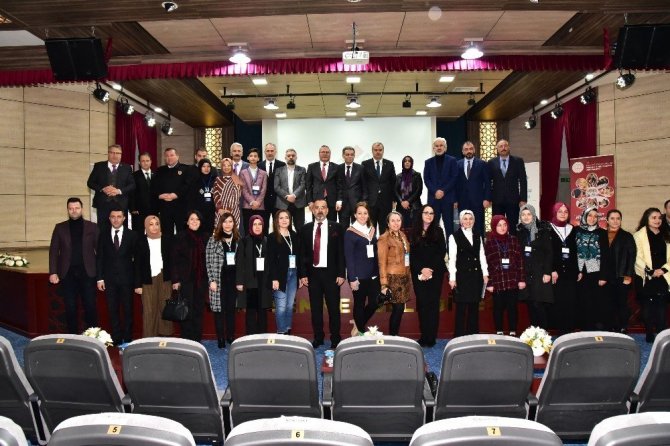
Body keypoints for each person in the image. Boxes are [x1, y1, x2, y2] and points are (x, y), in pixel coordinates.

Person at [298, 198, 345, 348]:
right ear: (313, 210)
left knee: (334, 309)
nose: (320, 210)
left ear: (327, 210)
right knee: (316, 310)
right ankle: (318, 337)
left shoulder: (337, 227)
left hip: (332, 275)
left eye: (323, 207)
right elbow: (302, 254)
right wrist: (303, 274)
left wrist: (341, 273)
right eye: (317, 207)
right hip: (313, 276)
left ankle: (335, 338)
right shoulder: (305, 229)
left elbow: (341, 252)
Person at [48, 197, 99, 333]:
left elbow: (100, 252)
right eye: (71, 208)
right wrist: (53, 272)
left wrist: (101, 275)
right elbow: (54, 251)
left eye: (76, 208)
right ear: (67, 210)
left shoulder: (92, 227)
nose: (74, 211)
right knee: (70, 308)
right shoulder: (60, 228)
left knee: (90, 307)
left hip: (88, 273)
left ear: (82, 209)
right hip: (67, 274)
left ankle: (93, 336)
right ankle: (73, 337)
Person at [96, 207, 139, 345]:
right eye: (113, 217)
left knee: (128, 310)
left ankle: (127, 337)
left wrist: (137, 282)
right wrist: (100, 278)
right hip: (109, 280)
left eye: (119, 216)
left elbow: (137, 260)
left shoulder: (132, 235)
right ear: (109, 218)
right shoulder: (103, 235)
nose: (116, 219)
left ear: (124, 218)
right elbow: (100, 258)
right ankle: (116, 338)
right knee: (112, 310)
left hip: (127, 279)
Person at [410, 204, 446, 346]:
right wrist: (422, 269)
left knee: (433, 305)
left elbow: (441, 252)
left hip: (435, 273)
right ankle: (424, 336)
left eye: (431, 213)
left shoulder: (438, 231)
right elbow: (412, 254)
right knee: (422, 304)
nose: (429, 215)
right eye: (426, 212)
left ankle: (431, 338)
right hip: (418, 274)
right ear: (421, 214)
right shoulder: (414, 231)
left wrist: (429, 269)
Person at [448, 210, 489, 337]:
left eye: (470, 219)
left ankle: (473, 337)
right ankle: (459, 338)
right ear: (460, 221)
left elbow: (482, 256)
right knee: (461, 309)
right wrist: (452, 278)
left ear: (474, 221)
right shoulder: (454, 236)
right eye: (465, 219)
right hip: (462, 277)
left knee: (474, 309)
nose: (468, 221)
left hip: (476, 277)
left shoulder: (478, 236)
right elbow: (452, 259)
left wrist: (485, 273)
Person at [171, 210, 209, 342]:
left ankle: (196, 340)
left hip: (201, 281)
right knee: (186, 310)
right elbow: (173, 260)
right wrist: (175, 280)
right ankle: (186, 340)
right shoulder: (179, 237)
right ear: (187, 222)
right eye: (192, 219)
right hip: (185, 281)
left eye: (197, 219)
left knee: (198, 310)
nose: (194, 222)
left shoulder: (206, 237)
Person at [133, 215, 174, 338]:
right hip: (148, 279)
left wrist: (175, 280)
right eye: (151, 224)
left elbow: (173, 261)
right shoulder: (140, 241)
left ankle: (165, 335)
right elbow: (137, 264)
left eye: (157, 224)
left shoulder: (167, 240)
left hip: (165, 278)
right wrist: (137, 285)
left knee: (165, 307)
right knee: (149, 310)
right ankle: (150, 337)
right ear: (146, 226)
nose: (154, 227)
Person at [484, 215, 525, 335]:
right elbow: (486, 264)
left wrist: (521, 279)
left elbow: (520, 260)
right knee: (498, 308)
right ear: (494, 227)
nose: (502, 228)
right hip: (497, 281)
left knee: (512, 307)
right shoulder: (489, 242)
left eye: (504, 225)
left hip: (512, 279)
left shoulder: (513, 239)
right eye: (499, 225)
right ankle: (499, 332)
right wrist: (489, 283)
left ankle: (513, 331)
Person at [633, 207, 670, 343]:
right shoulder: (638, 235)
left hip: (663, 276)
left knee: (661, 305)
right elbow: (637, 257)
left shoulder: (666, 234)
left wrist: (663, 270)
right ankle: (649, 333)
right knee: (647, 306)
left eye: (659, 218)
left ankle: (661, 334)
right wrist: (650, 271)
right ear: (646, 219)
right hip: (646, 276)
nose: (657, 220)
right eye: (653, 218)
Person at [344, 202, 380, 336]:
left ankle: (358, 322)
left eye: (365, 213)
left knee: (375, 302)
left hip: (373, 275)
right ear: (355, 215)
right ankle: (360, 332)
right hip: (358, 276)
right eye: (359, 213)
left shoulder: (372, 229)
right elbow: (349, 257)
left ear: (368, 214)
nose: (362, 216)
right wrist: (352, 278)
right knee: (359, 304)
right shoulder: (350, 232)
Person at [206, 212, 240, 348]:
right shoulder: (213, 239)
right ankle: (220, 337)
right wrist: (211, 280)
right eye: (225, 222)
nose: (227, 224)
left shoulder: (238, 239)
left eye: (230, 221)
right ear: (221, 224)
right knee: (219, 310)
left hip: (233, 280)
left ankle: (230, 336)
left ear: (234, 224)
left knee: (231, 310)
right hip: (218, 280)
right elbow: (208, 262)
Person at [516, 204, 553, 329]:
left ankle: (543, 333)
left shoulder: (542, 230)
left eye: (529, 214)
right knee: (530, 304)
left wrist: (547, 272)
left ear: (533, 215)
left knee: (539, 304)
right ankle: (534, 333)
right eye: (523, 215)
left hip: (540, 273)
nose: (526, 217)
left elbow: (549, 252)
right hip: (526, 273)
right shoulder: (518, 231)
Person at [236, 215, 272, 334]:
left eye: (260, 224)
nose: (257, 227)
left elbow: (271, 263)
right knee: (250, 312)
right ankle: (251, 337)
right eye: (254, 224)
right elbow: (240, 263)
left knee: (263, 313)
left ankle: (262, 336)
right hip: (250, 283)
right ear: (250, 226)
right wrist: (239, 282)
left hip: (264, 283)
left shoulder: (267, 241)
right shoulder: (244, 241)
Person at [378, 211, 412, 336]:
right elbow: (382, 263)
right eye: (393, 220)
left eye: (398, 220)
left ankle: (394, 335)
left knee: (400, 309)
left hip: (404, 277)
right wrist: (384, 284)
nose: (396, 223)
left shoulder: (402, 235)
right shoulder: (384, 238)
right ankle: (393, 337)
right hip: (393, 278)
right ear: (388, 223)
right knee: (398, 309)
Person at [574, 206, 609, 330]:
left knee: (595, 300)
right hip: (579, 271)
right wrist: (577, 270)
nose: (592, 218)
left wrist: (603, 276)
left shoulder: (602, 232)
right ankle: (583, 327)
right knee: (581, 299)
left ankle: (594, 327)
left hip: (595, 271)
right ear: (584, 216)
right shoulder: (576, 230)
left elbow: (605, 255)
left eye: (595, 216)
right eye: (590, 215)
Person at [87, 144, 135, 231]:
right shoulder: (99, 166)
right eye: (112, 152)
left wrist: (119, 191)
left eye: (118, 153)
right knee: (103, 230)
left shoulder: (127, 168)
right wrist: (102, 189)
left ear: (121, 155)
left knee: (122, 230)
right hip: (103, 204)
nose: (115, 155)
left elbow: (132, 185)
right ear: (108, 153)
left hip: (121, 204)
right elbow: (90, 183)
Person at [268, 210, 300, 335]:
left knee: (289, 305)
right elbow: (270, 260)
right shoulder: (272, 237)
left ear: (290, 220)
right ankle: (281, 332)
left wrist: (300, 276)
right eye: (281, 218)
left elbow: (299, 256)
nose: (284, 220)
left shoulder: (294, 235)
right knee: (281, 306)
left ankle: (288, 330)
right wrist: (274, 278)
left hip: (294, 273)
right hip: (279, 275)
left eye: (287, 217)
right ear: (276, 220)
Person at [548, 202, 578, 334]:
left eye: (565, 212)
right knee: (558, 302)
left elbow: (576, 252)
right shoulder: (548, 229)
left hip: (570, 272)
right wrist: (551, 269)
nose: (563, 214)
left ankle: (569, 331)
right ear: (555, 213)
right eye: (560, 211)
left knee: (570, 302)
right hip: (556, 273)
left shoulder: (572, 229)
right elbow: (547, 252)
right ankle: (560, 332)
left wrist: (578, 270)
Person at [604, 209, 636, 333]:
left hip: (622, 276)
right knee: (608, 303)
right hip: (606, 277)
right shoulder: (602, 235)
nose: (615, 221)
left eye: (618, 218)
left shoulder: (627, 236)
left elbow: (632, 257)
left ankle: (623, 327)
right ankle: (610, 327)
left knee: (621, 303)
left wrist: (628, 275)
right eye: (612, 218)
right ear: (607, 220)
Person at [488, 139, 527, 234]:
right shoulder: (491, 162)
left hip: (513, 200)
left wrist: (523, 199)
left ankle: (513, 243)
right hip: (497, 200)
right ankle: (497, 243)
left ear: (509, 147)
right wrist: (488, 198)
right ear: (497, 149)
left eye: (505, 146)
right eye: (501, 146)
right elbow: (488, 182)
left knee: (513, 226)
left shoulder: (518, 161)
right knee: (497, 226)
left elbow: (523, 181)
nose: (503, 148)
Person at [153, 147, 193, 235]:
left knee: (183, 233)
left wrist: (176, 195)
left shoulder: (186, 169)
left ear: (177, 156)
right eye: (167, 156)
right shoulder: (160, 170)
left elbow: (187, 186)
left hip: (181, 207)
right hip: (165, 208)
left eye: (171, 155)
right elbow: (154, 186)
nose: (169, 157)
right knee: (166, 235)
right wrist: (159, 195)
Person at [424, 137, 458, 237]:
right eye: (436, 146)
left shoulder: (452, 160)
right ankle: (434, 247)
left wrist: (443, 191)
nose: (439, 148)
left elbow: (454, 177)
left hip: (448, 198)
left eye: (441, 146)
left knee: (449, 227)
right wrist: (435, 191)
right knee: (432, 226)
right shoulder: (428, 162)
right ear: (433, 148)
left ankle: (450, 247)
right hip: (433, 199)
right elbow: (426, 179)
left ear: (445, 148)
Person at [455, 141, 491, 235]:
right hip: (462, 201)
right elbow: (455, 184)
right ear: (462, 151)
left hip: (478, 201)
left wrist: (487, 199)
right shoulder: (457, 164)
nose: (469, 151)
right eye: (466, 149)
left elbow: (487, 183)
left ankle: (480, 244)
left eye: (471, 149)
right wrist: (455, 200)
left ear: (474, 150)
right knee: (464, 225)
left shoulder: (482, 164)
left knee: (478, 225)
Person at [362, 142, 396, 234]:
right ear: (372, 151)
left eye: (380, 150)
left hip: (386, 202)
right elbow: (363, 183)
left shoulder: (389, 164)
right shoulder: (365, 164)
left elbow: (393, 183)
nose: (378, 152)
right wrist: (364, 199)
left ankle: (383, 244)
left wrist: (394, 200)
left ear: (383, 151)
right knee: (370, 228)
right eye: (375, 150)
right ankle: (371, 244)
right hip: (370, 202)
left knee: (384, 229)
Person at [274, 148, 307, 230]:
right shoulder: (279, 170)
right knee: (284, 228)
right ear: (285, 157)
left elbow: (303, 185)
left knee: (300, 228)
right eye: (288, 156)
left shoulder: (302, 170)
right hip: (283, 203)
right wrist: (287, 196)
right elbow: (276, 186)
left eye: (293, 155)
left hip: (298, 203)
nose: (291, 157)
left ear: (296, 157)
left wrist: (294, 195)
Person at [259, 142, 285, 233]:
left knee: (278, 226)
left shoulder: (282, 165)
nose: (270, 153)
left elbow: (283, 183)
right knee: (264, 226)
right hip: (263, 202)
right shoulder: (259, 165)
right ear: (264, 152)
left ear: (275, 152)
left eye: (272, 151)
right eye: (268, 151)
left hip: (278, 201)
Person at [305, 145, 339, 217]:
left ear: (330, 154)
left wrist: (339, 200)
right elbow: (308, 186)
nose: (325, 154)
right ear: (319, 153)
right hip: (316, 201)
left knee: (332, 222)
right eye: (323, 152)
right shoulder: (312, 166)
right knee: (317, 222)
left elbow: (339, 185)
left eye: (327, 152)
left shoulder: (336, 167)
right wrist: (310, 201)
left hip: (332, 201)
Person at [336, 146, 366, 226]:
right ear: (343, 156)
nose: (350, 156)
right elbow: (338, 186)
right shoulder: (338, 168)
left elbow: (364, 186)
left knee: (357, 228)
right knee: (343, 228)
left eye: (352, 154)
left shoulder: (361, 168)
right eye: (347, 154)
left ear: (354, 155)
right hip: (343, 205)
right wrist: (338, 200)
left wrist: (363, 202)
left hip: (357, 204)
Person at [239, 148, 268, 231]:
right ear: (247, 158)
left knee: (259, 229)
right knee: (248, 229)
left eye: (255, 156)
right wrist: (252, 202)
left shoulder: (263, 173)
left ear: (258, 158)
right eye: (251, 156)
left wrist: (257, 202)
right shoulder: (243, 172)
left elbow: (264, 189)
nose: (253, 158)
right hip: (247, 205)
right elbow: (243, 189)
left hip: (260, 206)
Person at [188, 158, 217, 234]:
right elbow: (192, 198)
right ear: (200, 167)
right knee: (199, 233)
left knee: (210, 232)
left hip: (212, 211)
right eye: (204, 166)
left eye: (208, 166)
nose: (206, 168)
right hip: (199, 212)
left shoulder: (215, 180)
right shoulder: (195, 181)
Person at [213, 157, 243, 229]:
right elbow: (215, 194)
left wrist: (228, 209)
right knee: (220, 231)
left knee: (232, 231)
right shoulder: (218, 179)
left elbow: (236, 196)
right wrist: (220, 208)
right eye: (224, 165)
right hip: (220, 211)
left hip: (233, 210)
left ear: (232, 166)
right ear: (221, 167)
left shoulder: (236, 178)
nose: (226, 167)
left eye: (229, 165)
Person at [395, 155, 423, 229]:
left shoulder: (417, 175)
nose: (407, 162)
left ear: (412, 163)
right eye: (405, 161)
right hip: (401, 207)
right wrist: (401, 201)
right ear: (403, 163)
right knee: (401, 229)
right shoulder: (398, 177)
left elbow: (419, 190)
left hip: (414, 207)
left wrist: (408, 201)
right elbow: (395, 191)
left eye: (409, 161)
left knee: (414, 229)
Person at [129, 152, 154, 231]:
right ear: (139, 162)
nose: (145, 163)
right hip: (138, 211)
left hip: (154, 210)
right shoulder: (133, 176)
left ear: (151, 161)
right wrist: (132, 208)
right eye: (143, 161)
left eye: (147, 160)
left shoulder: (157, 175)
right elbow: (131, 193)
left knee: (153, 232)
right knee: (138, 234)